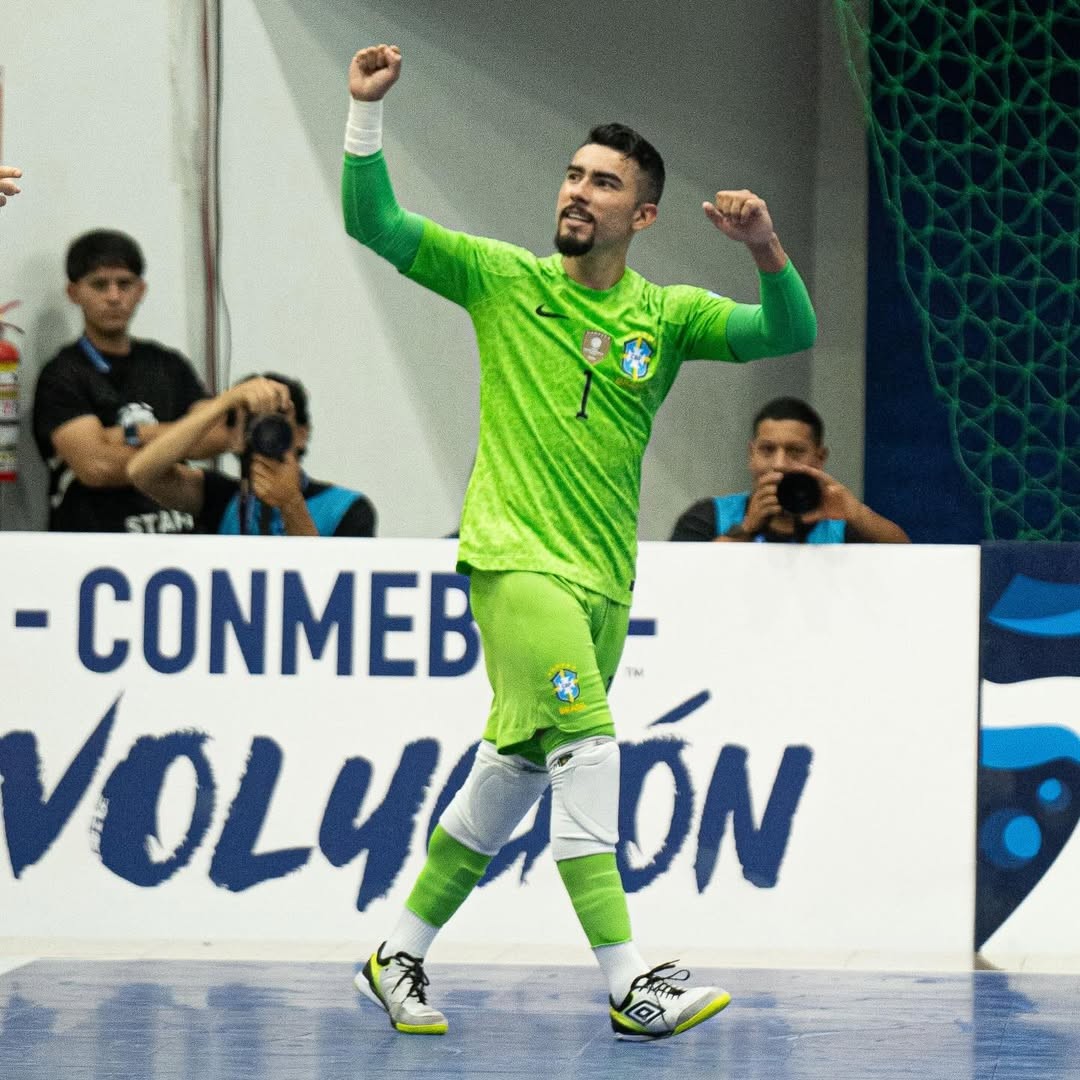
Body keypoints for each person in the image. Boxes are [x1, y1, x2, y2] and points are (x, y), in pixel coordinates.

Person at [341, 44, 816, 1041]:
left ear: (642, 215)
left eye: (604, 183)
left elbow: (787, 330)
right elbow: (372, 221)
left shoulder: (668, 317)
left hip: (605, 580)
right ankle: (629, 979)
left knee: (511, 773)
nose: (579, 191)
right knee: (589, 748)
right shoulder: (502, 279)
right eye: (573, 174)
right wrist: (365, 113)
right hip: (516, 563)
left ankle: (397, 954)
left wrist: (766, 246)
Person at [32, 229, 230, 532]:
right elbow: (96, 466)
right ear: (74, 292)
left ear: (141, 289)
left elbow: (219, 434)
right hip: (94, 551)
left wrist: (127, 435)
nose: (114, 296)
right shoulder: (62, 374)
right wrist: (181, 441)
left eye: (124, 284)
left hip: (178, 542)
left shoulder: (168, 364)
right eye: (100, 285)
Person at [127, 372, 376, 536]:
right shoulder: (223, 498)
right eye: (253, 419)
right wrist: (224, 403)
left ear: (301, 433)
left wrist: (291, 504)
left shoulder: (346, 507)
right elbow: (141, 472)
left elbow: (334, 585)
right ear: (235, 435)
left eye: (277, 418)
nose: (265, 429)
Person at [671, 396, 910, 543]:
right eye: (767, 450)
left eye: (795, 452)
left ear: (819, 457)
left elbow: (910, 561)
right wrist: (746, 529)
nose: (780, 464)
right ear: (751, 455)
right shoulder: (709, 516)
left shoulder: (839, 526)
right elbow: (680, 579)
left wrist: (856, 512)